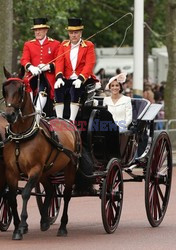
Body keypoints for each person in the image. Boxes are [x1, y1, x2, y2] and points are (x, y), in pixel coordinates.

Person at [54, 17, 98, 121]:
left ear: (81, 33)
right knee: (58, 89)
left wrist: (81, 78)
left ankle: (72, 120)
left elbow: (89, 64)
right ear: (68, 33)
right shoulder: (63, 45)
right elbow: (59, 62)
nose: (73, 35)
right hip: (67, 78)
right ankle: (59, 119)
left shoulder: (88, 45)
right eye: (71, 32)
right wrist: (59, 77)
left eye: (76, 32)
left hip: (82, 79)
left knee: (75, 90)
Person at [20, 17, 60, 119]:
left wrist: (47, 67)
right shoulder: (28, 44)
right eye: (35, 30)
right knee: (26, 84)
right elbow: (24, 60)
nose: (37, 32)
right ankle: (28, 108)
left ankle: (38, 112)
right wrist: (31, 67)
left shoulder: (55, 44)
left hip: (48, 76)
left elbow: (59, 61)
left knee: (44, 87)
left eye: (40, 30)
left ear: (46, 30)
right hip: (32, 75)